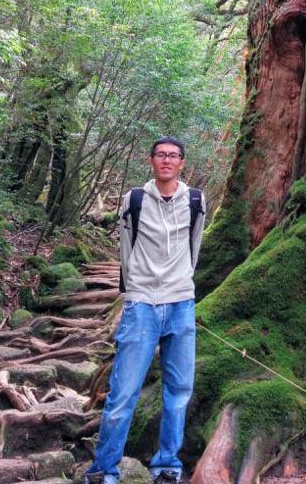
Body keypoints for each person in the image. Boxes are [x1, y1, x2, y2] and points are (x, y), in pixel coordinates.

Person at [83, 137, 206, 484]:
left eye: (173, 156)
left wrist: (181, 282)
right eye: (161, 155)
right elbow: (126, 248)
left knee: (179, 390)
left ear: (182, 162)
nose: (167, 160)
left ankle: (167, 465)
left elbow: (193, 247)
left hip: (181, 303)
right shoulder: (134, 199)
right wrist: (136, 287)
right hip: (142, 305)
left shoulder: (195, 200)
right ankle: (104, 470)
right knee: (123, 393)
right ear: (150, 160)